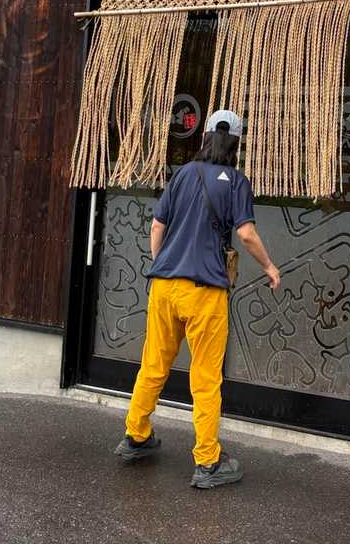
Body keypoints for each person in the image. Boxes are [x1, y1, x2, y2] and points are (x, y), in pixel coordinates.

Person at [113, 109, 281, 488]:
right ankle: (207, 462)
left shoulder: (184, 173)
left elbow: (157, 225)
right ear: (236, 143)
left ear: (204, 136)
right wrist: (270, 268)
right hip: (204, 291)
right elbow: (247, 234)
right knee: (205, 378)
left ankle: (136, 435)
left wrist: (163, 264)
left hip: (164, 286)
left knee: (153, 364)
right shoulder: (236, 182)